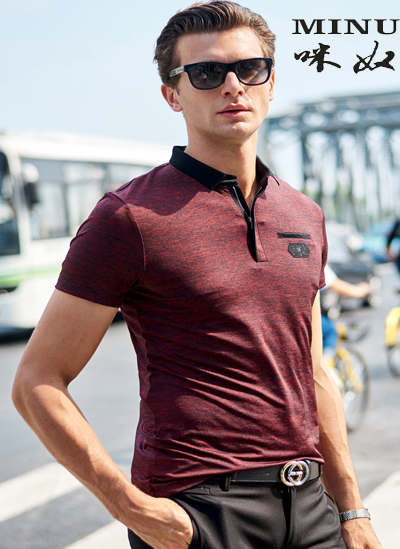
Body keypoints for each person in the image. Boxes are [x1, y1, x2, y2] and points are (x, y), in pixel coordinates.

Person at [12, 2, 381, 548]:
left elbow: (313, 371)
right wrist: (133, 508)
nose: (233, 85)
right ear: (172, 94)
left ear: (271, 82)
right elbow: (37, 381)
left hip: (310, 507)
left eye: (249, 68)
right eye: (207, 73)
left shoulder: (304, 213)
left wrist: (351, 508)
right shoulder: (129, 217)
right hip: (201, 510)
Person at [321, 264, 372, 368]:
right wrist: (361, 290)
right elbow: (335, 284)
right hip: (298, 317)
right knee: (330, 331)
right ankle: (323, 371)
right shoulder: (310, 257)